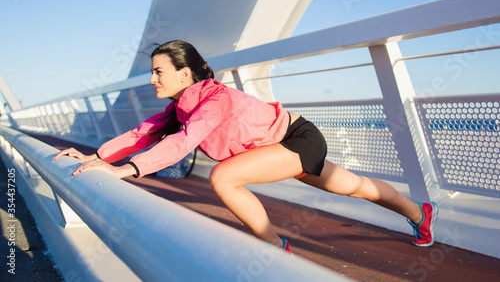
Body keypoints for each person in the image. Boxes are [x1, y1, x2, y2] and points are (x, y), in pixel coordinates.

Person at [53, 40, 438, 254]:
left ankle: (275, 245)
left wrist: (126, 171)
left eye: (159, 72)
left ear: (185, 73)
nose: (152, 79)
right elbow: (141, 133)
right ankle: (419, 213)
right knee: (353, 186)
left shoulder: (215, 99)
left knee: (224, 177)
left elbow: (186, 141)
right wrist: (98, 158)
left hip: (295, 138)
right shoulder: (179, 107)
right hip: (275, 146)